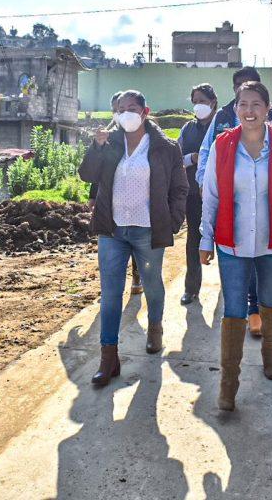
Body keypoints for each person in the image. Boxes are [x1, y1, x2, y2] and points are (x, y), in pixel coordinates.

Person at [200, 81, 272, 411]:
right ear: (236, 110)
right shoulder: (223, 145)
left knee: (268, 298)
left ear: (267, 110)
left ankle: (270, 352)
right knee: (234, 309)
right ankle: (228, 382)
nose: (249, 111)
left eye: (256, 105)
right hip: (231, 243)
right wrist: (206, 239)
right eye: (243, 104)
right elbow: (211, 195)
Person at [78, 90, 188, 387]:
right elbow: (87, 175)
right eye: (120, 108)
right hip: (112, 230)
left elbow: (179, 188)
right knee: (111, 294)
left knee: (152, 286)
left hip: (147, 230)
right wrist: (96, 147)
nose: (125, 112)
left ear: (144, 110)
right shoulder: (109, 142)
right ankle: (108, 356)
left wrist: (173, 220)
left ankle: (155, 326)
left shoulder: (165, 147)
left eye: (131, 107)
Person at [196, 66, 272, 337]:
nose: (249, 108)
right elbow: (206, 151)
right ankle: (251, 311)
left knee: (265, 273)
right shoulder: (224, 115)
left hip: (269, 208)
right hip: (231, 205)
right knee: (241, 264)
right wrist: (205, 180)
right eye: (239, 87)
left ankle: (260, 313)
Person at [89, 91, 143, 297]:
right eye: (117, 110)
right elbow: (97, 172)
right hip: (110, 203)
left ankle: (138, 276)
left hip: (138, 205)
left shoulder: (144, 137)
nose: (120, 115)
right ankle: (111, 288)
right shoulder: (106, 137)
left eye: (128, 110)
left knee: (137, 242)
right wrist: (93, 196)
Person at [178, 83, 218, 305]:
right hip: (194, 194)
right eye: (195, 101)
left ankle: (230, 289)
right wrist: (192, 159)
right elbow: (177, 157)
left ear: (212, 102)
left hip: (221, 193)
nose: (198, 105)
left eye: (202, 101)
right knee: (194, 238)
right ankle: (191, 288)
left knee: (224, 240)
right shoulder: (188, 129)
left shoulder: (223, 126)